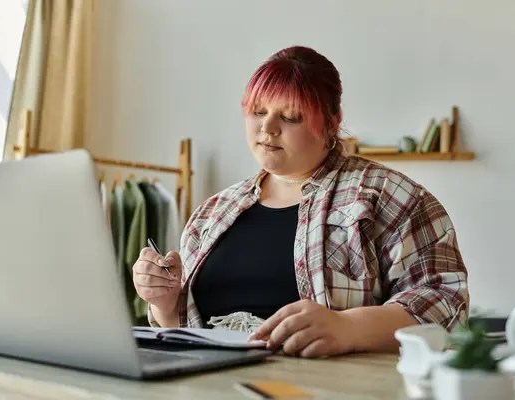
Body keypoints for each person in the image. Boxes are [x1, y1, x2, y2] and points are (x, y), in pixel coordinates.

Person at [132, 45, 469, 358]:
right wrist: (164, 304)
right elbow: (186, 334)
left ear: (332, 122)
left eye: (290, 117)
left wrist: (349, 328)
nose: (267, 127)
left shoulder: (390, 197)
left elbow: (445, 304)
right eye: (257, 112)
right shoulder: (211, 214)